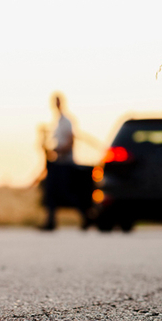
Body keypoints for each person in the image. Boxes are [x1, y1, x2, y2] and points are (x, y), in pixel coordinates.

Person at [40, 93, 91, 230]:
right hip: (57, 162)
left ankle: (86, 217)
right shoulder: (56, 122)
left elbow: (70, 141)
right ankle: (50, 222)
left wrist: (58, 151)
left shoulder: (67, 121)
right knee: (52, 192)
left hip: (65, 163)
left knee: (66, 193)